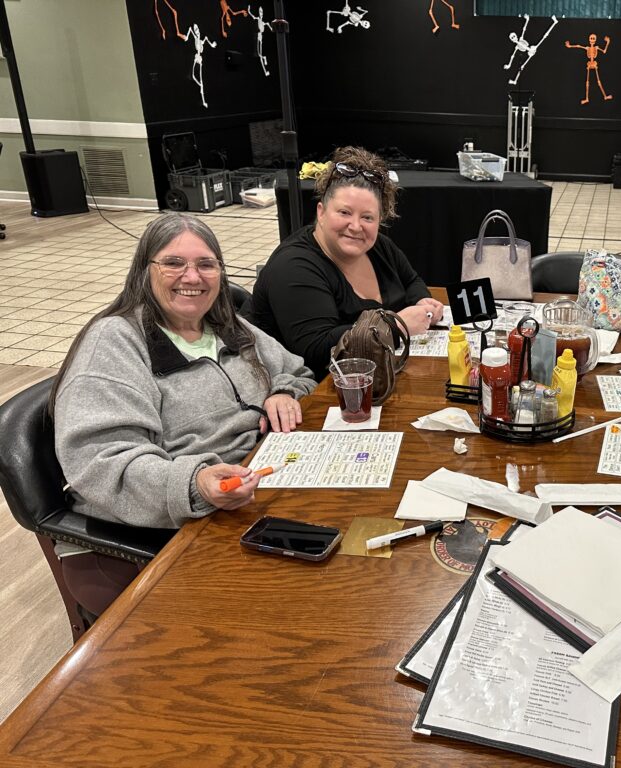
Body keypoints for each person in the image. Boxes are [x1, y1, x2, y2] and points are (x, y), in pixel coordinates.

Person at [52, 213, 317, 618]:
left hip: (242, 500)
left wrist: (283, 391)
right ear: (144, 271)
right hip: (150, 536)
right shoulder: (114, 342)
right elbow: (101, 463)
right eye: (173, 263)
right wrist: (195, 483)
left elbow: (297, 372)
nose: (192, 277)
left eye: (206, 264)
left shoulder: (225, 324)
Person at [252, 146, 443, 380]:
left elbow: (411, 280)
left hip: (376, 376)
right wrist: (396, 327)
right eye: (344, 212)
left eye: (367, 217)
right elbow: (316, 350)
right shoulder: (293, 266)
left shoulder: (378, 246)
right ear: (321, 212)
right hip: (314, 388)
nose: (355, 226)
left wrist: (421, 301)